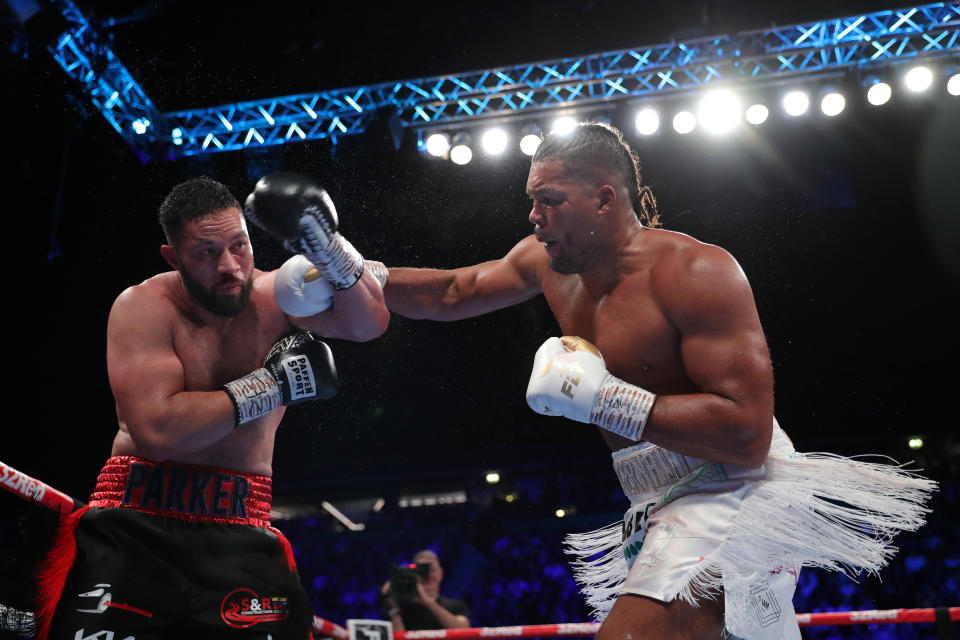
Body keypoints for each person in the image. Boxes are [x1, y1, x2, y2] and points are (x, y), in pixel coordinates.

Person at [370, 122, 935, 640]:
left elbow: (747, 433)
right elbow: (451, 292)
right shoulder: (545, 261)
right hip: (649, 495)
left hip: (732, 488)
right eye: (531, 201)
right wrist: (352, 271)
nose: (534, 217)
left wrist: (605, 399)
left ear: (604, 199)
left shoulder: (695, 271)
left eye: (550, 201)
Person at [34, 174, 390, 640]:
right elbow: (158, 433)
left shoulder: (275, 297)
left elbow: (368, 325)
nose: (230, 266)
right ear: (173, 256)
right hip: (136, 524)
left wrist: (329, 250)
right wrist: (273, 384)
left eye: (239, 246)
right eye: (206, 252)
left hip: (242, 526)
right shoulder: (144, 307)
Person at [378, 550, 470, 631]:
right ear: (413, 574)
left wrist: (429, 602)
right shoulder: (399, 607)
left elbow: (464, 631)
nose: (428, 576)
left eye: (432, 570)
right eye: (421, 571)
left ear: (441, 573)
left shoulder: (455, 606)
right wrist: (393, 606)